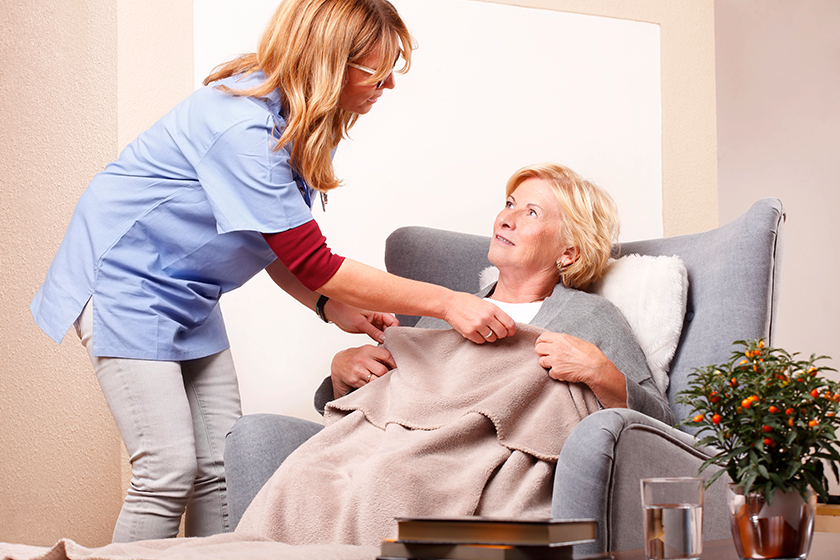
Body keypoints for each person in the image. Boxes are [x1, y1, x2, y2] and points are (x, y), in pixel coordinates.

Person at [29, 0, 514, 543]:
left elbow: (272, 244)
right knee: (165, 472)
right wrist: (448, 301)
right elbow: (313, 261)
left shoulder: (293, 121)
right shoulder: (245, 128)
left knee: (219, 467)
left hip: (190, 294)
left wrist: (328, 306)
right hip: (127, 284)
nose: (388, 87)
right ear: (329, 63)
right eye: (377, 73)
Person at [228, 163, 675, 544]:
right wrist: (342, 375)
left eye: (531, 211)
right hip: (388, 449)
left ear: (568, 250)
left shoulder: (590, 317)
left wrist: (602, 372)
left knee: (393, 480)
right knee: (309, 476)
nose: (508, 217)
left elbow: (663, 428)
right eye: (509, 203)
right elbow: (400, 399)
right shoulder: (448, 311)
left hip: (469, 463)